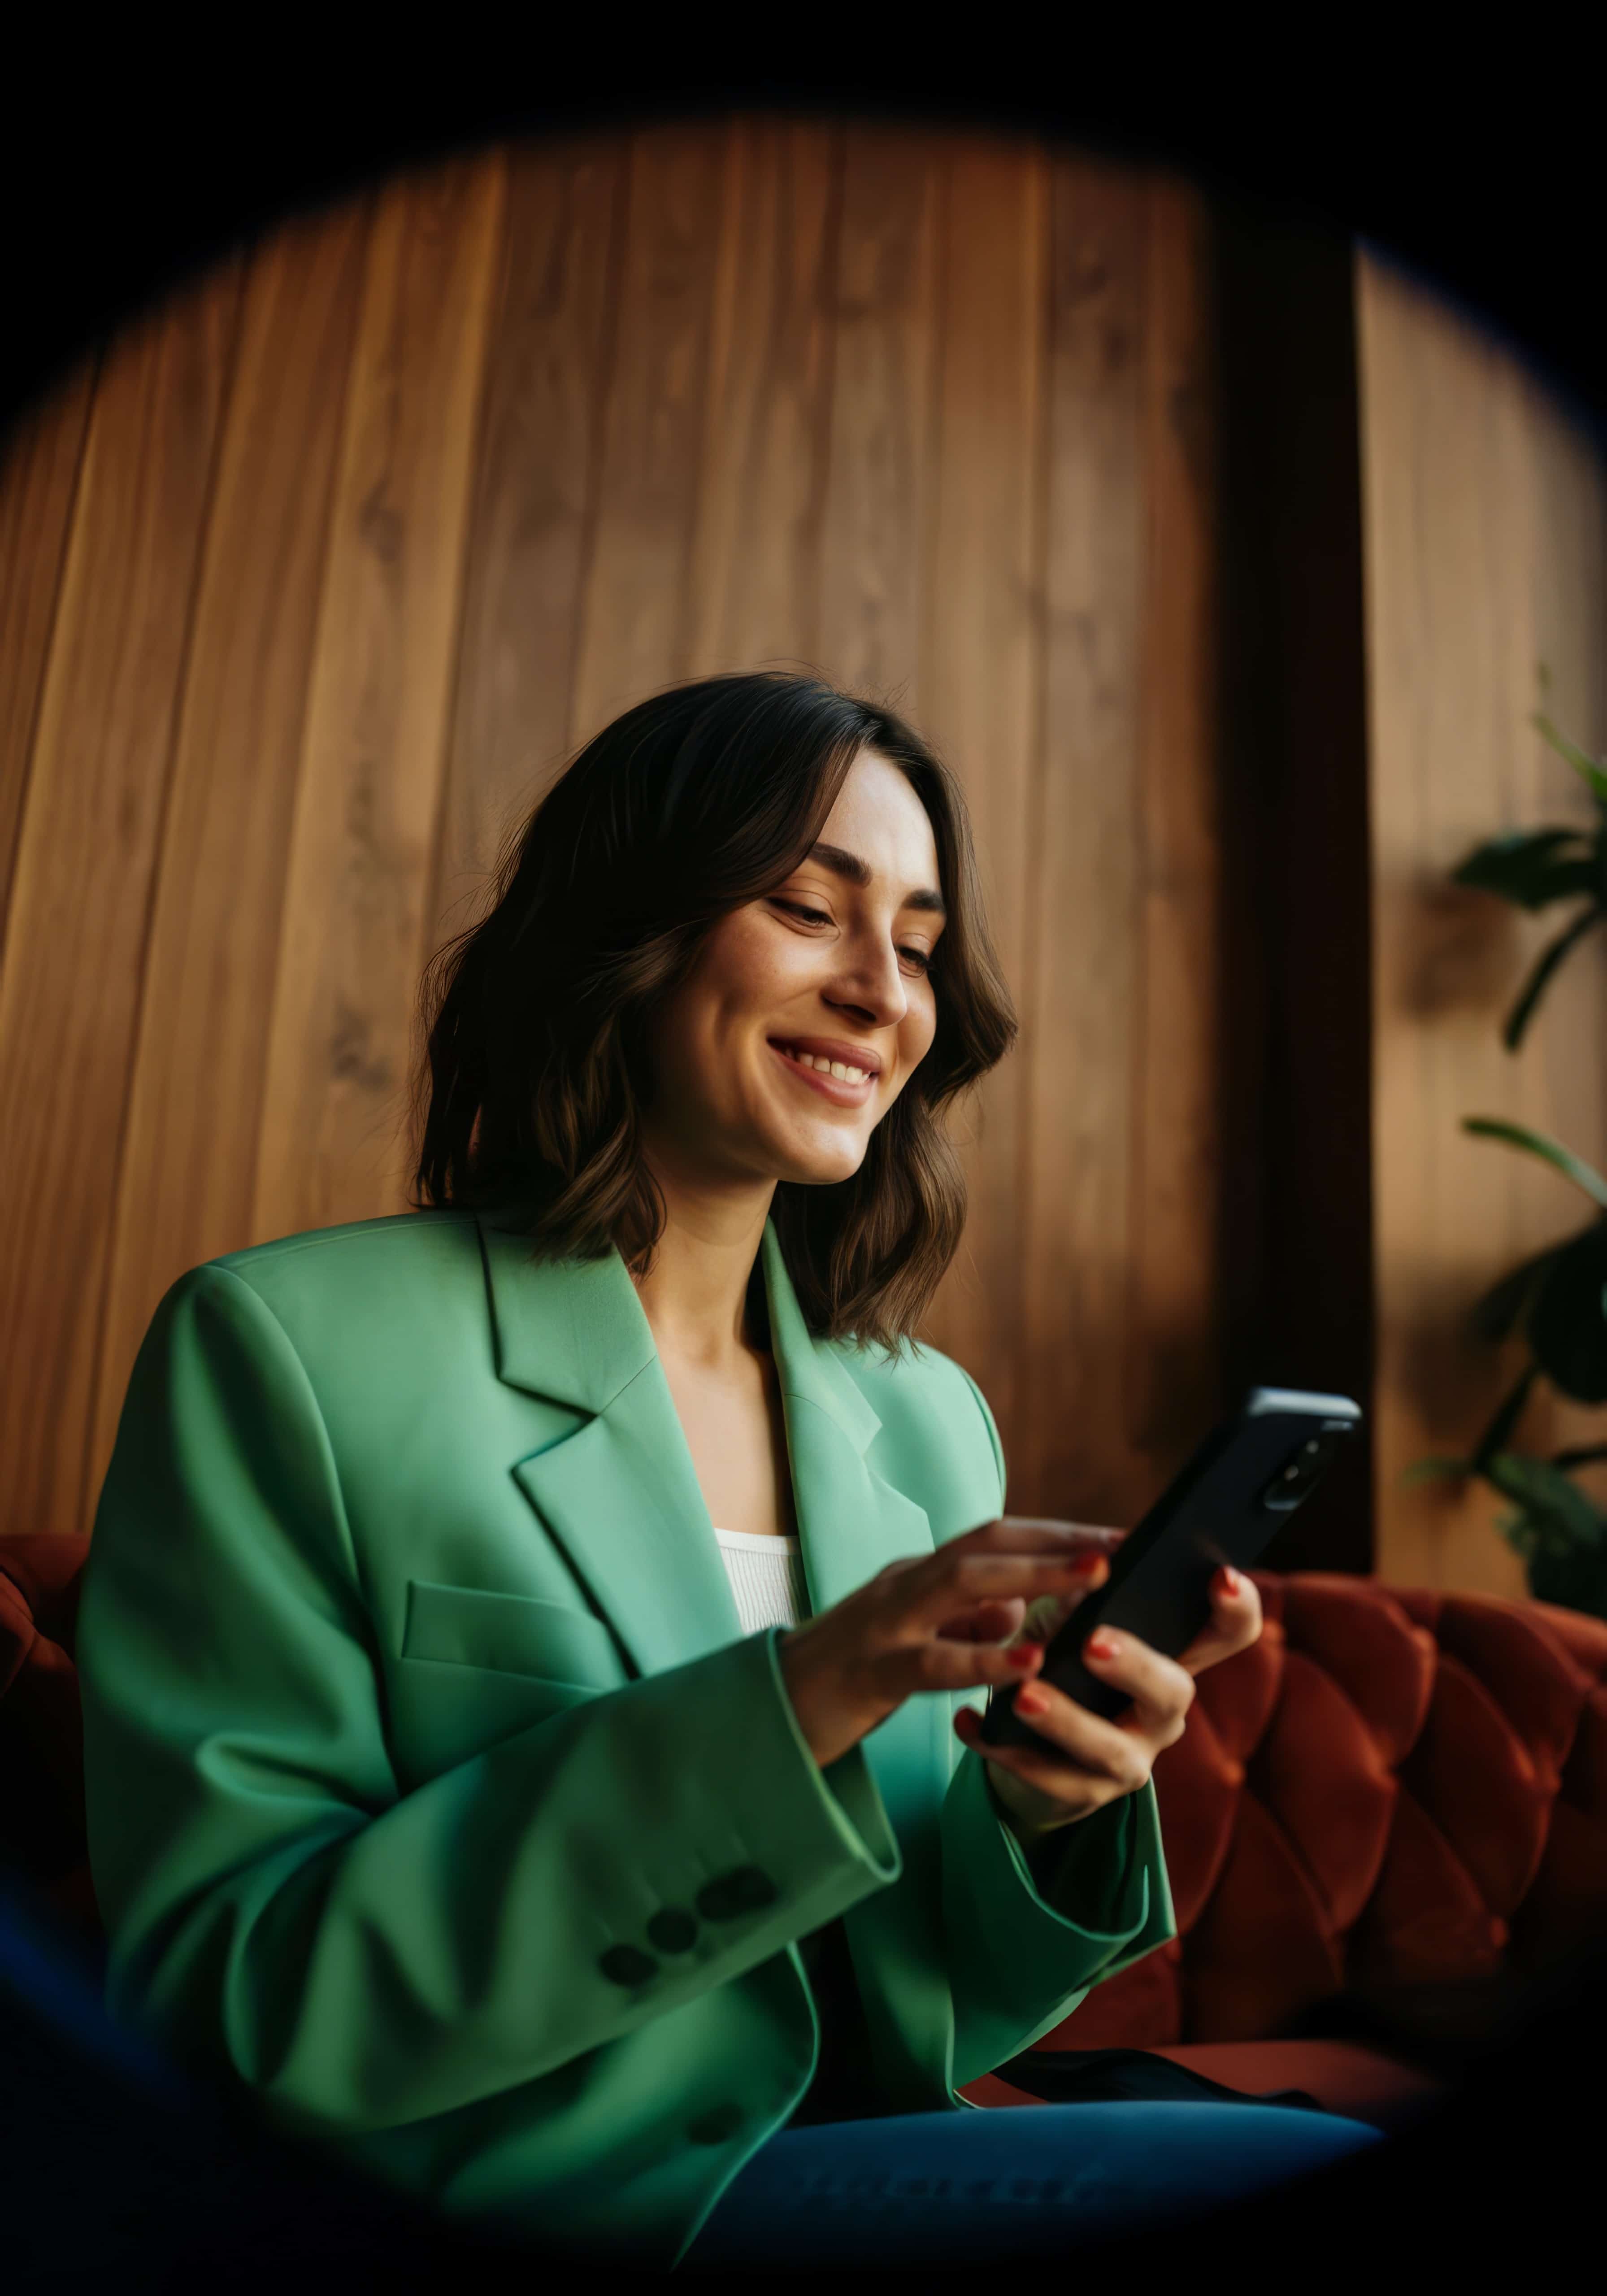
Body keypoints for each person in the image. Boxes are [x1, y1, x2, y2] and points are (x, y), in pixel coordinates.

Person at [77, 672, 1380, 2271]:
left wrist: (1041, 1812)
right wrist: (798, 1699)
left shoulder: (921, 1421)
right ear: (631, 929)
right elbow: (241, 1994)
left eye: (913, 944)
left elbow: (934, 2019)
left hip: (869, 2165)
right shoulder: (284, 1347)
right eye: (807, 909)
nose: (879, 991)